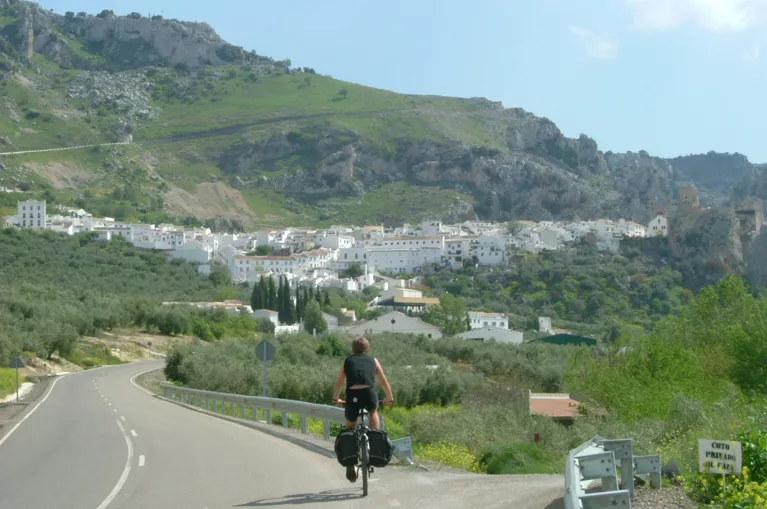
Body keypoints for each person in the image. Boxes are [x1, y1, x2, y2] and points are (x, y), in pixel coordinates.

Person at [333, 336, 394, 483]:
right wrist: (390, 397)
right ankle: (375, 443)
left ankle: (350, 463)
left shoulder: (347, 361)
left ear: (353, 349)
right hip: (369, 393)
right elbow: (383, 381)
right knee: (373, 412)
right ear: (368, 349)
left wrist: (336, 398)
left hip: (352, 395)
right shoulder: (373, 361)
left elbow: (340, 381)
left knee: (350, 426)